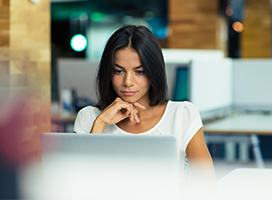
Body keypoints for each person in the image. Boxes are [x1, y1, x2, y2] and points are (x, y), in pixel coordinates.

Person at [73, 25, 216, 194]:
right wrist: (101, 123)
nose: (128, 81)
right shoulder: (89, 118)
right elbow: (78, 188)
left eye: (139, 72)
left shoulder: (181, 115)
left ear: (153, 72)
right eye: (119, 71)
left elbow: (208, 187)